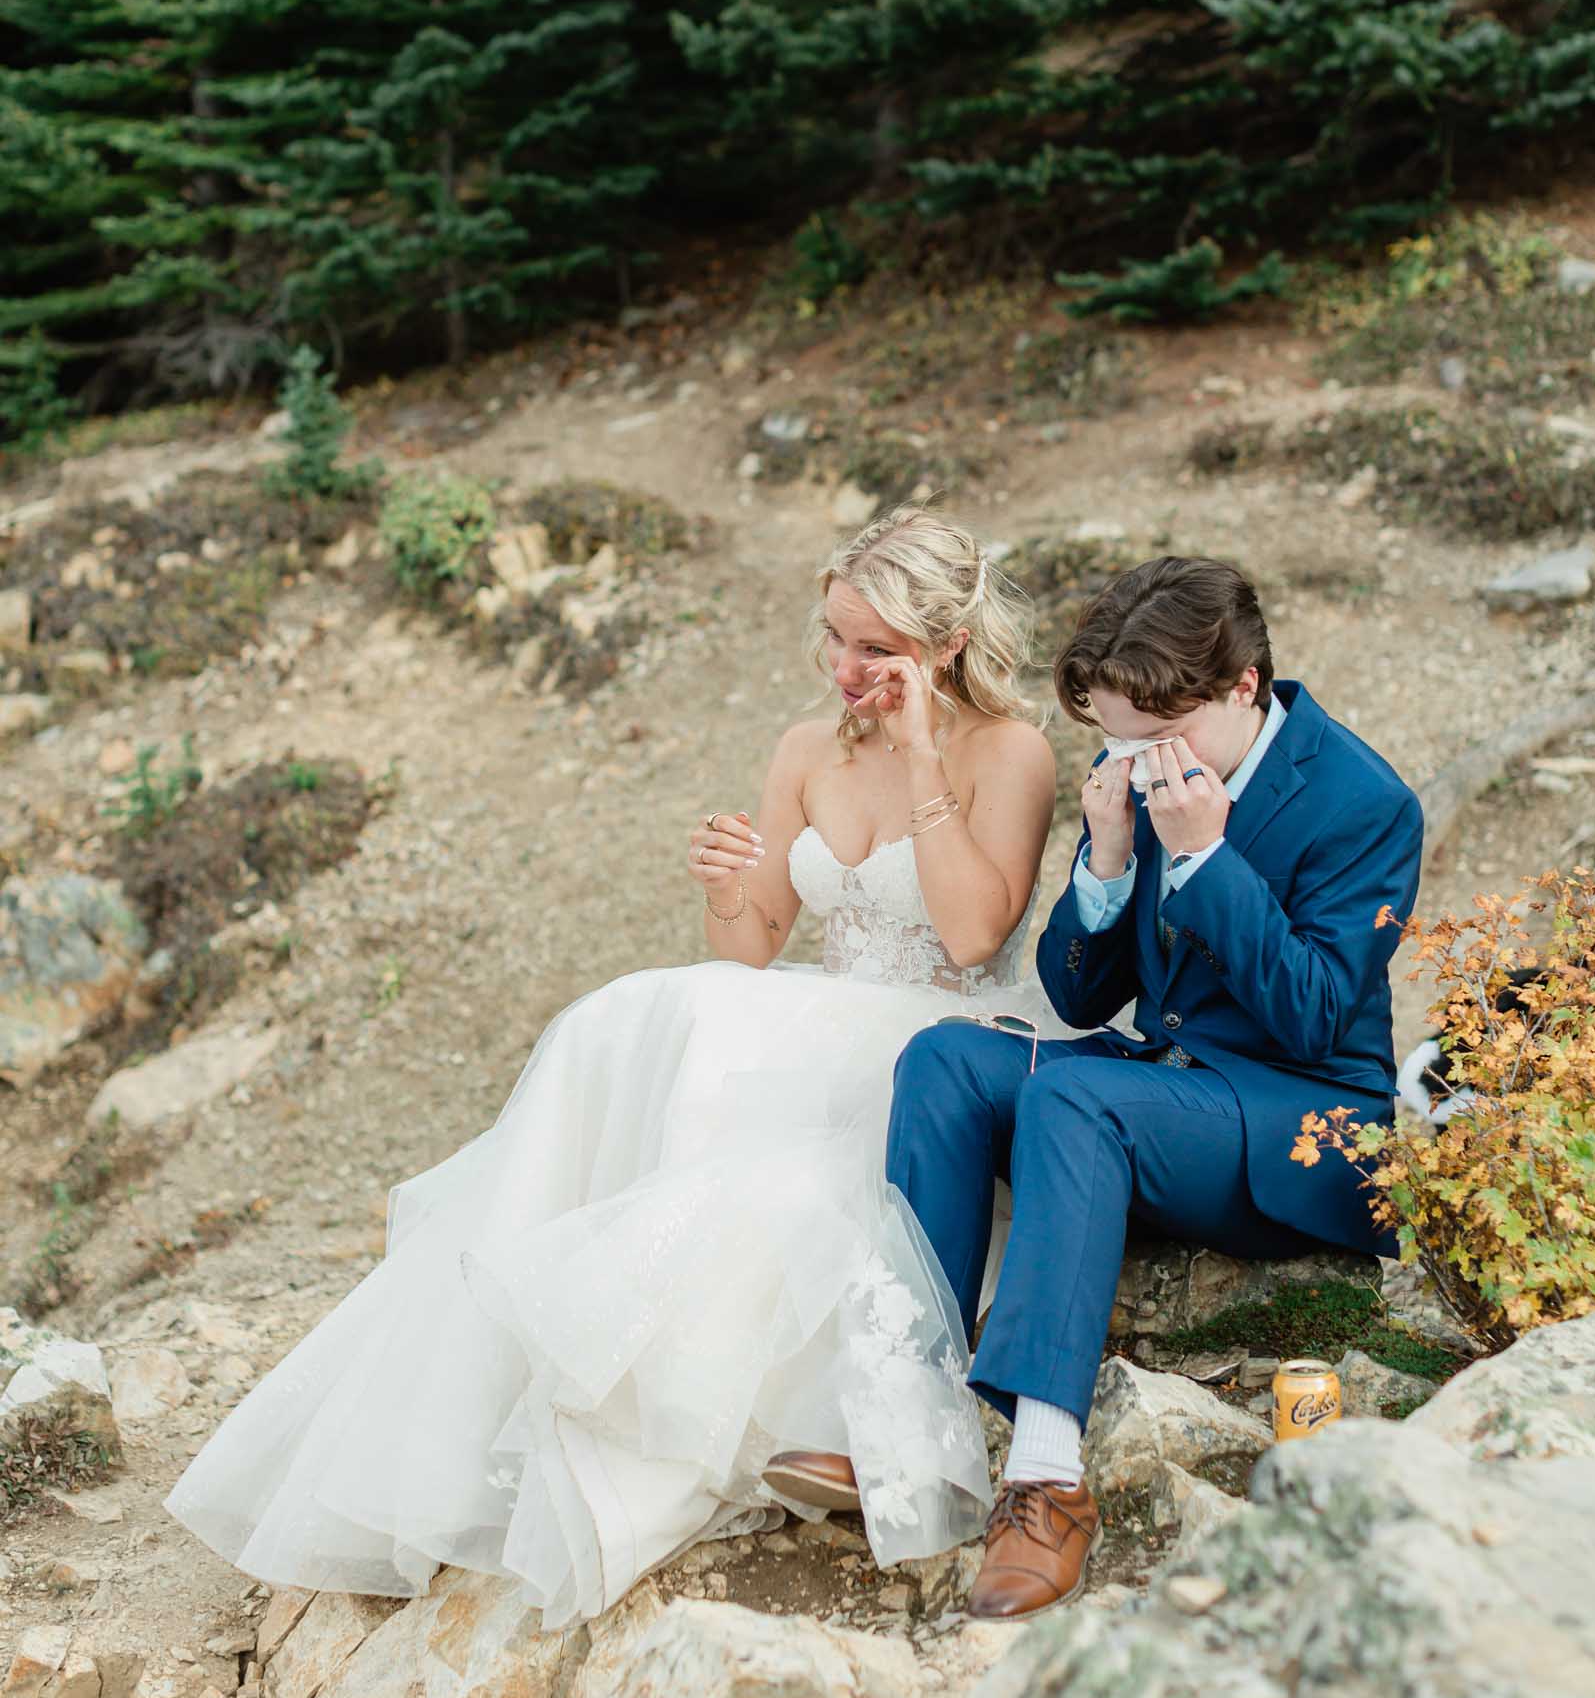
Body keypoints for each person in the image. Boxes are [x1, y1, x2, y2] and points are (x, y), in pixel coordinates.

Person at [166, 505, 1063, 1628]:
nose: (843, 668)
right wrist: (724, 885)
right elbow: (749, 948)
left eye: (873, 648)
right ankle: (548, 1349)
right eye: (833, 636)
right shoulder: (805, 750)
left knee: (706, 1057)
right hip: (814, 1016)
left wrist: (925, 750)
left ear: (941, 645)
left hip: (938, 1043)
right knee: (625, 1016)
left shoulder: (1009, 751)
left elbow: (976, 932)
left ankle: (671, 1386)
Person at [869, 555, 1424, 1621]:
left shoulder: (1364, 801)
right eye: (1114, 736)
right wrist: (1111, 862)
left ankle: (1045, 1478)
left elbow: (1312, 1013)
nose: (1131, 757)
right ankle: (910, 1412)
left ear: (1242, 687)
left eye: (1151, 735)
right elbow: (1078, 999)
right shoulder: (1142, 763)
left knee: (1073, 1101)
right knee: (944, 1059)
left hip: (1303, 1124)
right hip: (1163, 1091)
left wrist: (1209, 858)